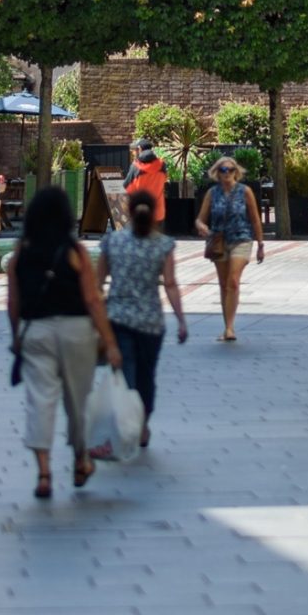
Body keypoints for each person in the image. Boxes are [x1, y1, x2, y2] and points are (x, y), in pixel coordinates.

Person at [5, 184, 121, 499]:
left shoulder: (20, 254)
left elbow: (13, 302)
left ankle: (43, 473)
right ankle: (81, 460)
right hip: (76, 332)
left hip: (36, 331)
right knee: (77, 401)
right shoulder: (75, 252)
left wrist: (17, 336)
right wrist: (109, 341)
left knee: (39, 400)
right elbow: (94, 300)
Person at [97, 190, 187, 447]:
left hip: (118, 320)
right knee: (147, 376)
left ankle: (122, 429)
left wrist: (95, 316)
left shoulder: (112, 242)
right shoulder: (163, 244)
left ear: (128, 210)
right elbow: (170, 284)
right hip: (151, 323)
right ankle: (143, 424)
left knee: (125, 376)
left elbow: (97, 284)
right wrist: (181, 320)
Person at [194, 156, 264, 342]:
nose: (227, 173)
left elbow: (255, 219)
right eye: (223, 170)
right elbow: (200, 218)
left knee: (233, 280)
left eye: (231, 170)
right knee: (224, 284)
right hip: (218, 241)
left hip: (241, 239)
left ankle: (230, 327)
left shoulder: (245, 191)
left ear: (236, 172)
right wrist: (202, 226)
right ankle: (228, 328)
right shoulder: (212, 193)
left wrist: (260, 244)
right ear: (217, 173)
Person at [124, 140, 167, 225]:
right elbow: (164, 180)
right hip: (158, 211)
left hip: (140, 212)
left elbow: (126, 185)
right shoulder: (162, 165)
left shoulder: (136, 166)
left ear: (139, 149)